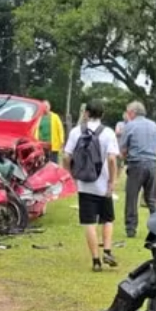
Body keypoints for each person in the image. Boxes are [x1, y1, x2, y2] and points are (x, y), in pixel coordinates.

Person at [63, 100, 121, 272]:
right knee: (108, 219)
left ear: (86, 113)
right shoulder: (108, 133)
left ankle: (96, 260)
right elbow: (111, 159)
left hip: (84, 184)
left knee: (89, 222)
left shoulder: (75, 132)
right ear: (102, 114)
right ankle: (108, 250)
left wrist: (70, 175)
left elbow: (66, 157)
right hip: (103, 185)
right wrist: (112, 181)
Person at [118, 100, 156, 238]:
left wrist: (123, 159)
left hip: (136, 164)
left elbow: (123, 149)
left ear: (132, 112)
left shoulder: (129, 126)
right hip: (152, 164)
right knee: (152, 199)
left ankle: (131, 229)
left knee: (132, 197)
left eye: (128, 112)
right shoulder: (154, 126)